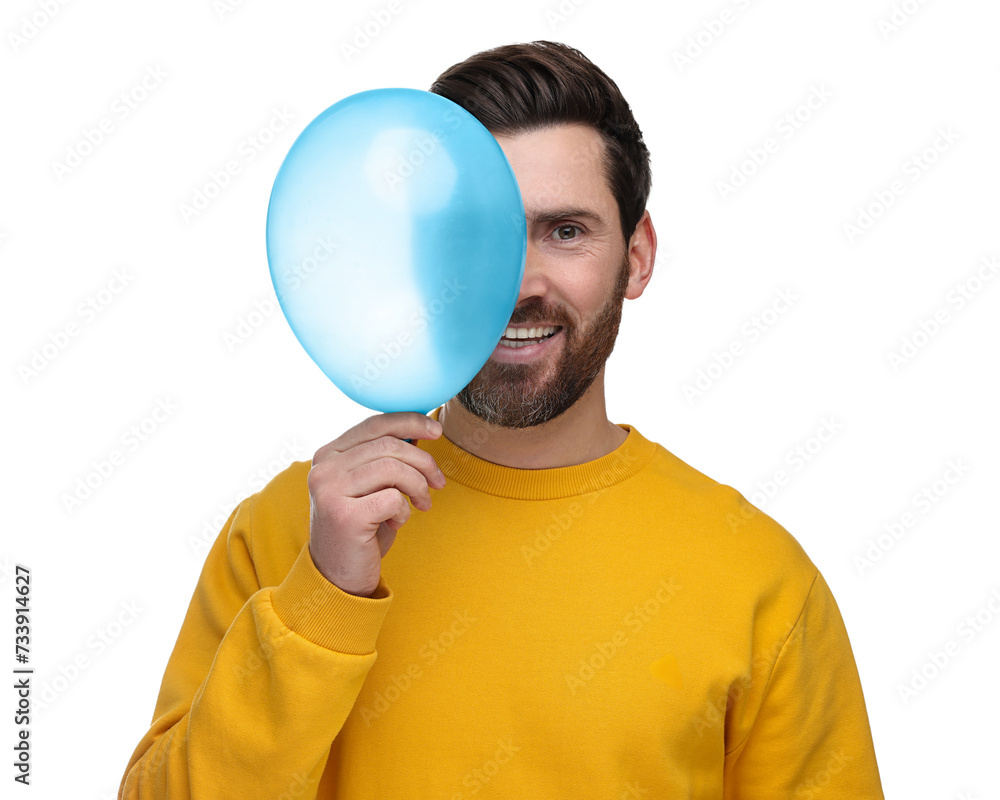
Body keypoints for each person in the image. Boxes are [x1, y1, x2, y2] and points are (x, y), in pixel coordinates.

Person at [118, 40, 885, 799]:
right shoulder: (291, 530)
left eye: (566, 231)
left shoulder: (761, 580)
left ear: (638, 256)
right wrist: (323, 598)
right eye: (472, 234)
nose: (518, 284)